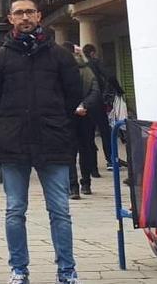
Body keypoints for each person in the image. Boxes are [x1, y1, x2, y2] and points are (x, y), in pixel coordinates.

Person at [0, 0, 82, 284]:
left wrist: (54, 120)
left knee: (60, 211)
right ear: (10, 18)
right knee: (15, 210)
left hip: (53, 141)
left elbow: (72, 94)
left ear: (39, 16)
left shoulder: (60, 56)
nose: (25, 17)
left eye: (30, 12)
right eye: (19, 13)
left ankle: (67, 271)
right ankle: (18, 270)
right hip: (14, 141)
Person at [65, 43, 101, 200]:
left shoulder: (63, 71)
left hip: (68, 116)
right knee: (85, 149)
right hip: (86, 115)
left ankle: (73, 188)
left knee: (69, 152)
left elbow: (58, 92)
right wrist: (83, 105)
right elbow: (96, 91)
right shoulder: (87, 70)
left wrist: (73, 107)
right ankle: (86, 183)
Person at [82, 45, 120, 170]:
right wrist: (119, 90)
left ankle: (92, 166)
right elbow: (110, 76)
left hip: (83, 102)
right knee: (105, 131)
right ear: (93, 53)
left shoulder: (81, 66)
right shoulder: (96, 63)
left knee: (87, 133)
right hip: (97, 101)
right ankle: (110, 159)